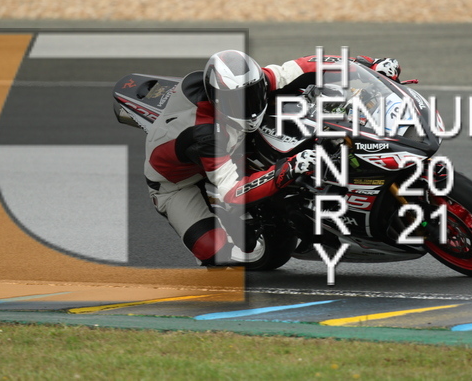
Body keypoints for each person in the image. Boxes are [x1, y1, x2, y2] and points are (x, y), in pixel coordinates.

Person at [144, 50, 401, 266]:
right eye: (235, 101)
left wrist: (370, 65)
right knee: (217, 253)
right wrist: (290, 167)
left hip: (238, 142)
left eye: (252, 93)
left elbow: (311, 64)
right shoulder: (207, 135)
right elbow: (233, 191)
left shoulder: (261, 80)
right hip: (177, 183)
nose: (247, 105)